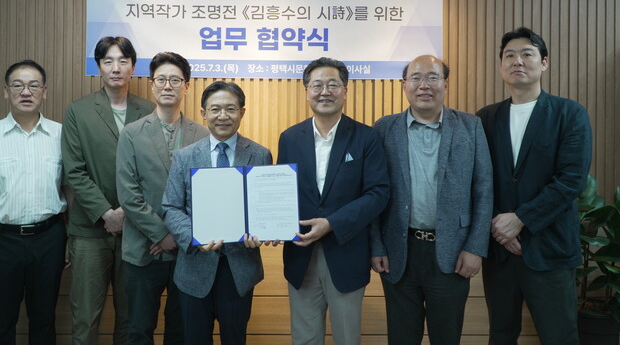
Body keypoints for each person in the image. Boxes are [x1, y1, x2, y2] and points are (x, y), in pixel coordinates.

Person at [477, 27, 592, 344]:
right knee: (501, 335)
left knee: (559, 336)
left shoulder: (569, 114)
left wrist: (521, 219)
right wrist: (499, 226)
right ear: (501, 65)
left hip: (549, 248)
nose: (517, 61)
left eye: (527, 54)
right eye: (509, 55)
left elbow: (570, 180)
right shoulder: (485, 118)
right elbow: (477, 180)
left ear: (544, 63)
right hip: (500, 252)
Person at [370, 55, 493, 344]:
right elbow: (373, 192)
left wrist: (475, 247)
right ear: (404, 85)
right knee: (401, 338)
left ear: (445, 84)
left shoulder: (470, 126)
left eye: (433, 77)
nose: (424, 85)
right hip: (399, 251)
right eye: (416, 78)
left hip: (452, 252)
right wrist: (376, 245)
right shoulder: (384, 128)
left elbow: (484, 189)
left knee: (446, 337)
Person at [277, 57, 390, 344]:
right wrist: (273, 225)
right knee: (304, 339)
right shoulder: (289, 138)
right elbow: (280, 193)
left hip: (346, 252)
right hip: (301, 255)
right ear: (306, 91)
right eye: (317, 85)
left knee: (347, 338)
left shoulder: (366, 137)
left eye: (332, 85)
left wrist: (331, 223)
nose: (324, 92)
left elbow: (378, 193)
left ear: (345, 91)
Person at [0, 60, 70, 345]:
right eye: (18, 85)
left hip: (50, 239)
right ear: (6, 91)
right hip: (0, 241)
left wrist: (71, 239)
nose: (26, 92)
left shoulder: (62, 136)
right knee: (0, 322)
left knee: (44, 320)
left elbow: (71, 190)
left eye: (34, 86)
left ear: (45, 92)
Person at [162, 81, 273, 345]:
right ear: (204, 113)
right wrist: (195, 237)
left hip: (239, 269)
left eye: (230, 109)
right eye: (215, 109)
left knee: (235, 339)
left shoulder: (260, 155)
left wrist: (262, 231)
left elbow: (264, 208)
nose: (223, 116)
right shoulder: (185, 156)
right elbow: (171, 207)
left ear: (242, 112)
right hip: (194, 268)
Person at [62, 36, 155, 345]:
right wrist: (106, 213)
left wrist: (127, 212)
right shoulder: (78, 111)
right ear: (98, 67)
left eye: (123, 61)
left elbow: (154, 171)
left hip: (136, 229)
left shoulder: (149, 110)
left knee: (131, 317)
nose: (116, 68)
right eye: (108, 61)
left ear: (133, 67)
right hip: (89, 229)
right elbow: (74, 170)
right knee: (86, 317)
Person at [116, 51, 209, 345]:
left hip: (187, 251)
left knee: (181, 331)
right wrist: (161, 234)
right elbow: (128, 194)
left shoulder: (202, 135)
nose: (168, 85)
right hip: (144, 249)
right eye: (161, 80)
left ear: (187, 86)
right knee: (139, 330)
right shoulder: (131, 134)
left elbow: (206, 195)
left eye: (175, 80)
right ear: (152, 85)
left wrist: (178, 236)